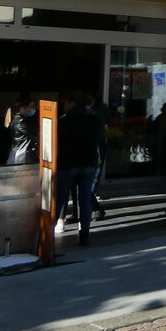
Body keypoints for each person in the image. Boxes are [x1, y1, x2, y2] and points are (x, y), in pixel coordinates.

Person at [56, 92, 103, 246]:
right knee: (84, 200)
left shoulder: (64, 120)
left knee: (60, 198)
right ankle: (84, 235)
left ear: (72, 103)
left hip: (68, 163)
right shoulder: (95, 119)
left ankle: (48, 233)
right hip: (89, 163)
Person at [7, 100, 39, 165]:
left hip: (18, 153)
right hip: (22, 155)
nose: (34, 109)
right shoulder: (21, 121)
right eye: (32, 106)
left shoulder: (18, 119)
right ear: (23, 108)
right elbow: (34, 136)